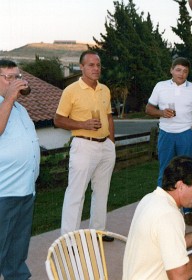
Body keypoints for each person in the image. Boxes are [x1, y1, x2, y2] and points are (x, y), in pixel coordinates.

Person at [122, 156, 192, 280]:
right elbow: (179, 276)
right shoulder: (169, 215)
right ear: (180, 185)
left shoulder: (152, 198)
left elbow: (170, 242)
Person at [54, 50, 116, 241]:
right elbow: (58, 120)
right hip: (83, 146)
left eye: (98, 65)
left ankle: (97, 231)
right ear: (81, 67)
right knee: (76, 194)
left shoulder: (104, 89)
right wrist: (83, 125)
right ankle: (68, 240)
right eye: (91, 65)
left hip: (105, 146)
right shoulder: (71, 90)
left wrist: (112, 143)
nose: (96, 68)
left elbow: (108, 117)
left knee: (102, 191)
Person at [145, 57, 192, 226]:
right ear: (171, 70)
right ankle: (161, 210)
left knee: (187, 172)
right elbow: (148, 109)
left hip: (185, 134)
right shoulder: (160, 86)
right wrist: (161, 113)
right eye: (178, 70)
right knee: (164, 170)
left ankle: (188, 211)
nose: (182, 74)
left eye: (185, 71)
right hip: (166, 133)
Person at [0, 59, 40, 279]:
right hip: (4, 192)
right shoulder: (6, 104)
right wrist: (9, 98)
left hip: (25, 189)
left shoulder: (20, 109)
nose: (14, 82)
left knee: (17, 252)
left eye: (17, 77)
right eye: (8, 77)